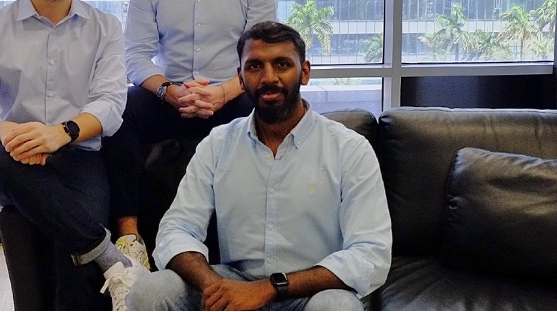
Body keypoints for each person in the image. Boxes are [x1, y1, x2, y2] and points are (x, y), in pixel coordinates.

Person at [126, 21, 393, 311]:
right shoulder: (218, 144)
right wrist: (214, 286)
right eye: (254, 67)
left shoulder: (348, 148)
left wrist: (269, 288)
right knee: (151, 291)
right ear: (240, 78)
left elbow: (370, 253)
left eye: (282, 64)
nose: (269, 77)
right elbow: (176, 229)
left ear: (304, 72)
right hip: (233, 282)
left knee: (336, 307)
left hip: (313, 289)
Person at [0, 0, 148, 311]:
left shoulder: (105, 28)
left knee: (71, 239)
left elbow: (111, 105)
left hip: (78, 155)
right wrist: (22, 136)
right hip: (11, 157)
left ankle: (92, 267)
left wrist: (60, 133)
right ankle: (111, 259)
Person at [102, 0, 278, 266]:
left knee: (274, 108)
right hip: (171, 96)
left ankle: (258, 243)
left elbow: (262, 59)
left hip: (232, 95)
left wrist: (224, 92)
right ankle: (130, 238)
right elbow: (136, 57)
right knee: (117, 112)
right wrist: (170, 91)